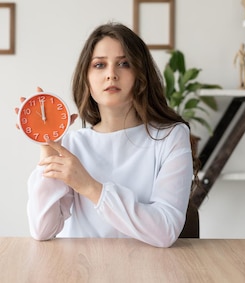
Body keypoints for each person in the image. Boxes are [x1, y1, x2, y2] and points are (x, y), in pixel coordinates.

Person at [16, 23, 197, 248]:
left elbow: (165, 230)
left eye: (123, 63)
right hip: (81, 270)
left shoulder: (171, 137)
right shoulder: (72, 145)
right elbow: (42, 230)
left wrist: (90, 187)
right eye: (99, 65)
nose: (111, 74)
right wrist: (48, 149)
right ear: (87, 79)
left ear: (140, 76)